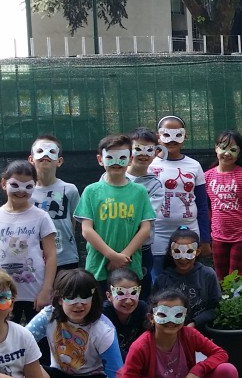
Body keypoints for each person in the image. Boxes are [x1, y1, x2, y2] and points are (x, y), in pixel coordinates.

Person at [74, 135, 156, 295]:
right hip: (98, 266)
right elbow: (86, 230)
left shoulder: (140, 192)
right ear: (100, 159)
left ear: (130, 159)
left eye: (122, 157)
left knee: (129, 306)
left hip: (130, 265)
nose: (116, 162)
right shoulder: (91, 191)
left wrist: (123, 257)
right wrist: (111, 255)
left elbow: (145, 229)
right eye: (110, 157)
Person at [0, 160, 57, 322]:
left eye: (28, 186)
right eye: (15, 185)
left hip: (35, 294)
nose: (21, 191)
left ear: (34, 185)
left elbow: (51, 256)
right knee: (5, 338)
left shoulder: (41, 217)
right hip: (3, 294)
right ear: (4, 183)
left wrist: (46, 290)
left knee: (40, 343)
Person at [150, 115, 211, 283]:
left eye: (177, 134)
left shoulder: (194, 165)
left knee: (188, 278)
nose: (172, 139)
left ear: (185, 136)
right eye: (166, 134)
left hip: (189, 232)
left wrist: (205, 239)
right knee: (158, 279)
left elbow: (202, 205)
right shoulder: (150, 165)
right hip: (158, 233)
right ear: (158, 136)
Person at [204, 129, 242, 279]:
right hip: (218, 237)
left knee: (236, 279)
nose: (227, 153)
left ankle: (237, 303)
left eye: (233, 150)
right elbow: (201, 204)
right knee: (221, 278)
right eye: (223, 147)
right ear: (216, 148)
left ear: (239, 152)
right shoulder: (207, 176)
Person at [29, 135, 81, 272]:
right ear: (31, 159)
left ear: (59, 161)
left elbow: (73, 222)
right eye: (40, 151)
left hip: (66, 258)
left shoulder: (70, 189)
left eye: (51, 152)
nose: (45, 155)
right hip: (34, 259)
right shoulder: (25, 192)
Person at [151, 227, 221, 331]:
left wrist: (195, 322)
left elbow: (216, 307)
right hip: (171, 332)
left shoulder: (208, 275)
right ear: (171, 252)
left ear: (197, 252)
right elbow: (153, 308)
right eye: (178, 251)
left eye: (189, 251)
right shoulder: (162, 279)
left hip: (202, 333)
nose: (183, 258)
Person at [127, 127, 165, 299]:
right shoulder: (107, 178)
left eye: (149, 150)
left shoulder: (156, 185)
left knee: (141, 293)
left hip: (142, 250)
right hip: (111, 246)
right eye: (138, 149)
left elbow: (145, 217)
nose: (143, 154)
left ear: (155, 152)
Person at [103, 267, 148, 361]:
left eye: (133, 293)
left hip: (137, 360)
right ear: (109, 296)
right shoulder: (103, 314)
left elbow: (147, 340)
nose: (128, 301)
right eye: (120, 293)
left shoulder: (142, 309)